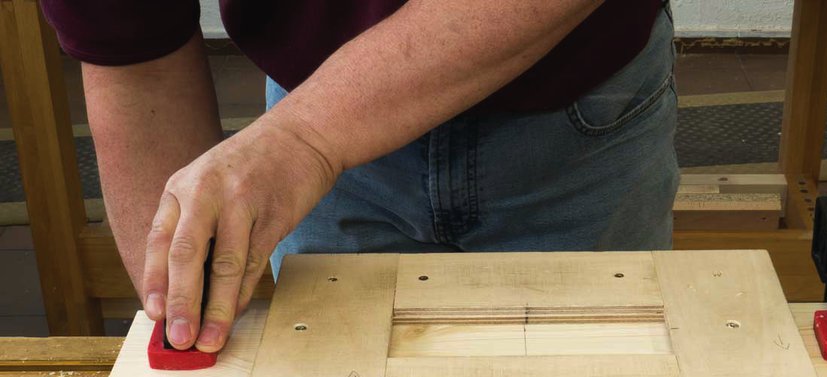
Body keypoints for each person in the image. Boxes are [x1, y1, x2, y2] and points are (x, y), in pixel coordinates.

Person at [41, 1, 679, 352]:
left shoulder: (299, 140)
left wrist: (304, 137)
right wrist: (182, 313)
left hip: (572, 115)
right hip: (308, 132)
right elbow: (132, 50)